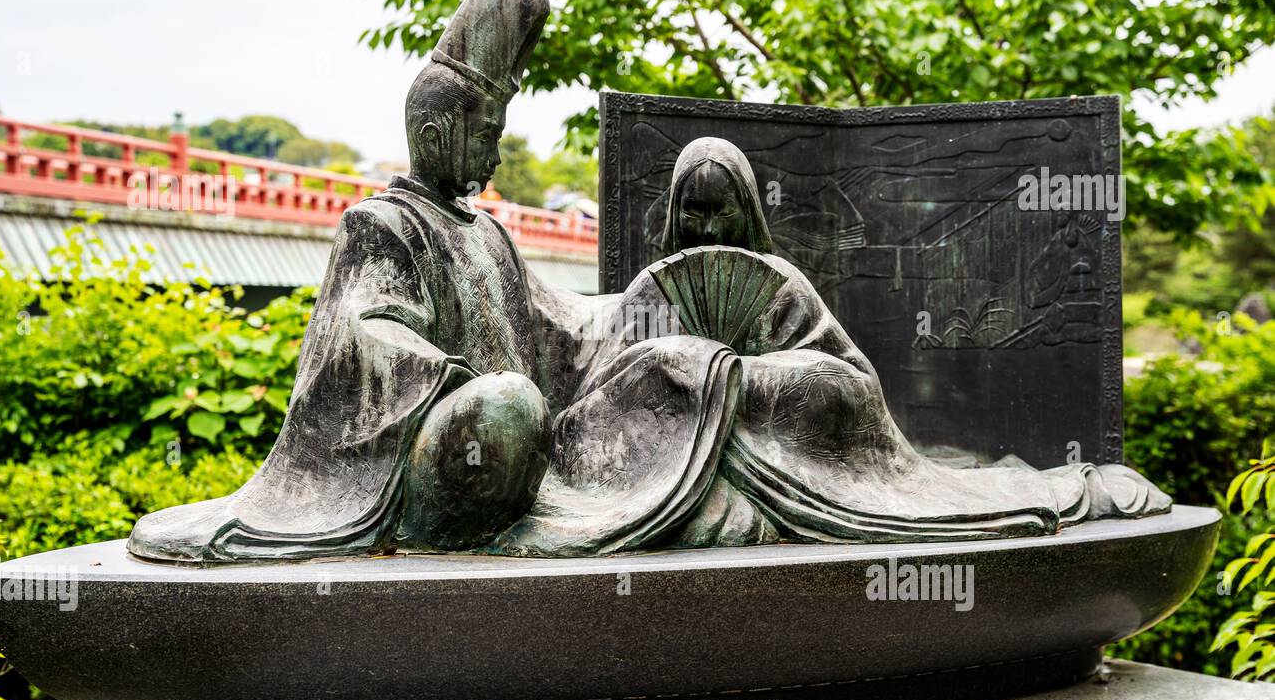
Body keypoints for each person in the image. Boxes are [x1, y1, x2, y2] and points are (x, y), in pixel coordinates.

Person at [492, 137, 1169, 556]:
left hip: (790, 470)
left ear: (746, 211)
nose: (703, 226)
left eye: (716, 210)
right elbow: (595, 405)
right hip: (659, 480)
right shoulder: (650, 290)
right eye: (689, 212)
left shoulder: (781, 287)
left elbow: (850, 387)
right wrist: (667, 379)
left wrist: (734, 381)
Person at [128, 0, 562, 562]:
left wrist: (643, 310)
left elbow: (557, 325)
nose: (496, 157)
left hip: (518, 449)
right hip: (440, 452)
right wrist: (459, 382)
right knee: (508, 404)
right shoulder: (383, 224)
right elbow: (365, 333)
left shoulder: (491, 234)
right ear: (436, 137)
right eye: (487, 137)